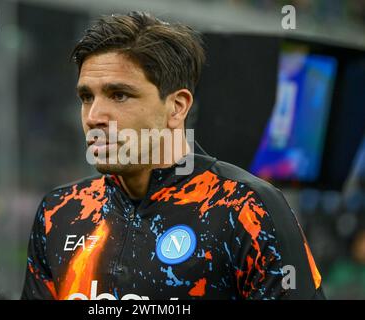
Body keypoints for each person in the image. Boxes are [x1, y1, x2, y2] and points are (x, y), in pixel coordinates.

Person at [21, 11, 324, 300]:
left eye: (119, 95)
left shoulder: (245, 209)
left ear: (177, 106)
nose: (94, 116)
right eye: (87, 97)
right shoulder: (60, 212)